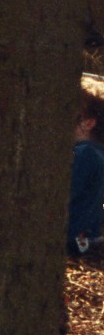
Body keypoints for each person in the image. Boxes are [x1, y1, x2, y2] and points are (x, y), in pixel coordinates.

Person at [70, 76, 104, 254]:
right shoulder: (96, 153)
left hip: (74, 239)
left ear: (89, 123)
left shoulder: (85, 154)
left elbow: (65, 194)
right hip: (86, 239)